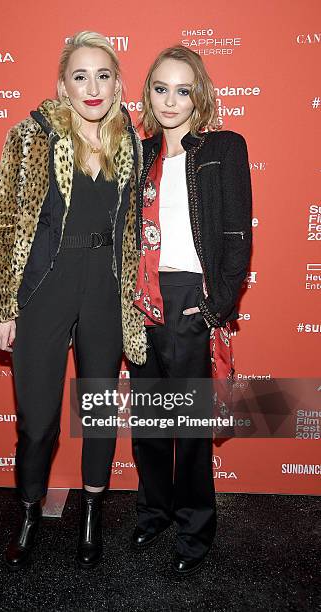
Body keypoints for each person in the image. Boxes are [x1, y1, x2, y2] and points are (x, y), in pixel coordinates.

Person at [0, 31, 142, 570]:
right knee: (38, 419)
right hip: (44, 288)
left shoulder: (131, 143)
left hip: (103, 287)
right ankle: (27, 514)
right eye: (81, 76)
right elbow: (3, 227)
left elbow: (135, 232)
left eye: (103, 75)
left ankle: (93, 515)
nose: (92, 87)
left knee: (97, 412)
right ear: (62, 85)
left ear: (118, 84)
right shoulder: (29, 137)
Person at [120, 45, 252, 575]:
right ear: (148, 93)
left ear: (199, 93)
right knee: (150, 421)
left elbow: (238, 236)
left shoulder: (224, 148)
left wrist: (214, 303)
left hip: (191, 300)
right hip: (142, 298)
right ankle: (155, 511)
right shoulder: (139, 154)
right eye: (160, 88)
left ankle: (196, 529)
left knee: (191, 425)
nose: (171, 100)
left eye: (182, 88)